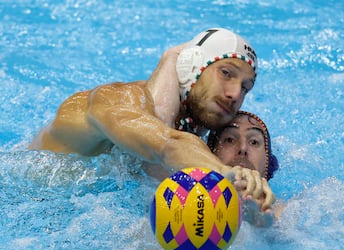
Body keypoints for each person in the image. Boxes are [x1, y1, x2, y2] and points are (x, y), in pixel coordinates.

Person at [28, 28, 275, 209]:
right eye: (225, 73)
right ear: (191, 66)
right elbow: (166, 143)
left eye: (245, 87)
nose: (234, 94)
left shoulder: (189, 128)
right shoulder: (117, 99)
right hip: (28, 198)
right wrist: (222, 173)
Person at [207, 111, 284, 226]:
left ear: (267, 164)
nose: (242, 148)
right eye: (229, 140)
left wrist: (262, 233)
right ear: (211, 153)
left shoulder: (285, 215)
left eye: (254, 142)